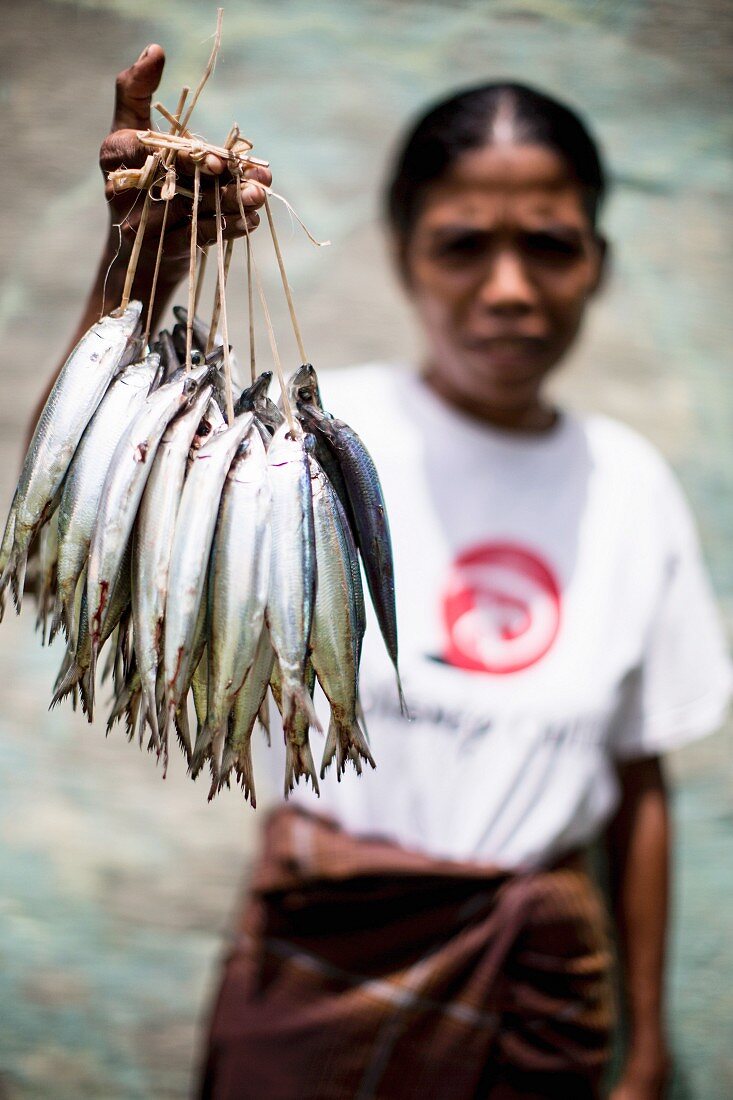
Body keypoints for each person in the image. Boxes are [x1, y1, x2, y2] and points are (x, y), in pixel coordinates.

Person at [61, 46, 730, 1100]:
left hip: (535, 991)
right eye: (463, 244)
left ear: (595, 259)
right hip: (317, 961)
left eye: (548, 246)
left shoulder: (632, 484)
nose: (508, 288)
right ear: (409, 254)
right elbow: (113, 466)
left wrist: (644, 1049)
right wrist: (142, 269)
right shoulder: (301, 442)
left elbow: (637, 783)